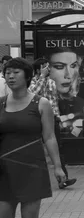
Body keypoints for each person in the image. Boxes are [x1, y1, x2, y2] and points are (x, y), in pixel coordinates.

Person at [0, 58, 67, 218]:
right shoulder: (1, 104)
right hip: (4, 169)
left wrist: (57, 166)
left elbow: (49, 137)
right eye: (7, 73)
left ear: (27, 76)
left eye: (16, 73)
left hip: (32, 168)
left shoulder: (41, 104)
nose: (11, 76)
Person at [28, 58, 76, 189]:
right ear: (38, 69)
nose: (48, 69)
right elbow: (32, 94)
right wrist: (42, 77)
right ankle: (33, 181)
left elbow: (54, 101)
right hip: (36, 120)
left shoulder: (52, 82)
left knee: (57, 149)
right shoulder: (32, 82)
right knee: (36, 151)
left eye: (48, 67)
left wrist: (58, 117)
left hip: (52, 119)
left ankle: (63, 179)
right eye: (45, 67)